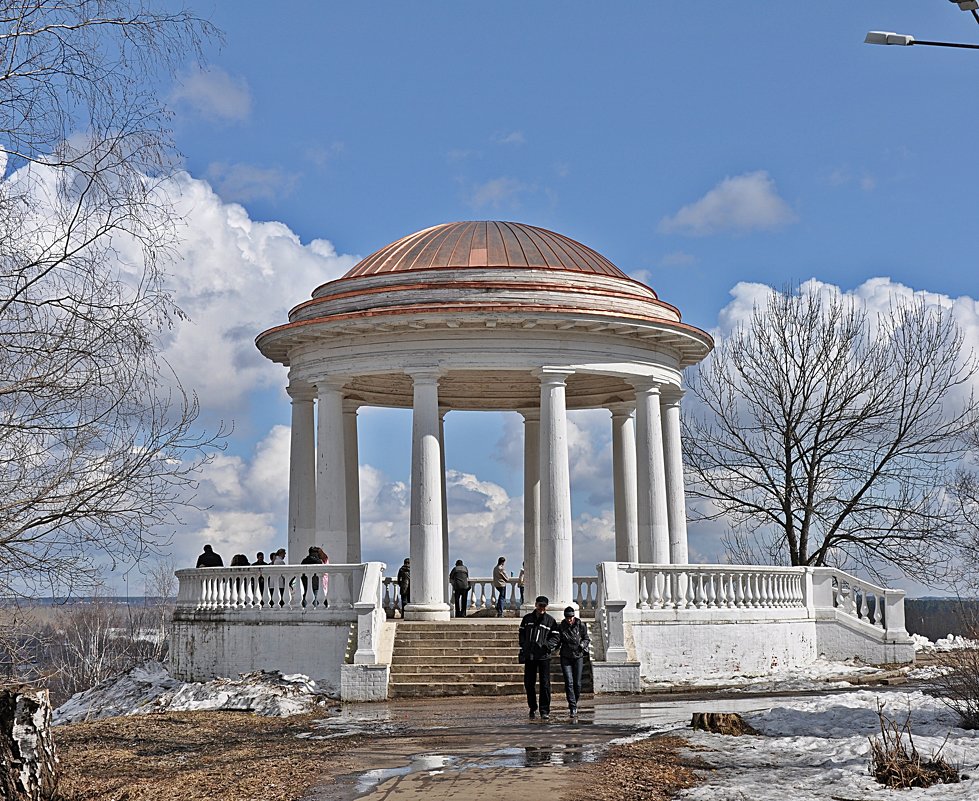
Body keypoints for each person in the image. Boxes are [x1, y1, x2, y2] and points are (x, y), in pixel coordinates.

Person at [519, 595, 560, 720]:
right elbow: (521, 634)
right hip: (530, 656)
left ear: (546, 607)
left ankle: (544, 710)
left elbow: (556, 637)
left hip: (543, 657)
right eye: (540, 605)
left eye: (544, 606)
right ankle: (532, 707)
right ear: (536, 605)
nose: (541, 608)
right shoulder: (527, 619)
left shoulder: (550, 621)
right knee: (529, 683)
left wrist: (547, 646)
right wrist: (524, 646)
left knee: (545, 684)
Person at [558, 606, 590, 717]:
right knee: (569, 682)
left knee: (577, 683)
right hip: (565, 656)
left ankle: (574, 702)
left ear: (574, 616)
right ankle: (572, 706)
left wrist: (582, 645)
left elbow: (586, 638)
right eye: (567, 617)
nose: (569, 619)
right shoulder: (561, 626)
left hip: (578, 656)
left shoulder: (580, 625)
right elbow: (558, 640)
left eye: (571, 617)